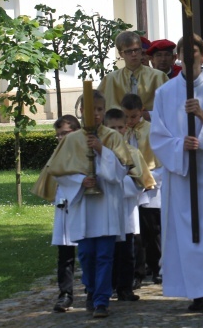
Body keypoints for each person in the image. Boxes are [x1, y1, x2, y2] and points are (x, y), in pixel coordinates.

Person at [150, 35, 203, 314]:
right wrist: (179, 145)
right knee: (186, 234)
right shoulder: (165, 92)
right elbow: (158, 136)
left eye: (195, 52)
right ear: (179, 56)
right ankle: (196, 292)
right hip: (180, 173)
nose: (190, 57)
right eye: (184, 52)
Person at [35, 90, 132, 318]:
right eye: (91, 110)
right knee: (87, 255)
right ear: (81, 111)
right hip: (83, 205)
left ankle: (101, 300)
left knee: (105, 255)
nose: (96, 114)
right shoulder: (71, 140)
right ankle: (90, 289)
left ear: (104, 111)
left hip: (107, 203)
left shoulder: (113, 137)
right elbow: (59, 172)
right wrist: (80, 180)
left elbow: (121, 172)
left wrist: (101, 150)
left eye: (100, 110)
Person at [104, 108, 155, 302]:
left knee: (126, 250)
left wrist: (116, 182)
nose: (116, 131)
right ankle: (108, 285)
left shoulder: (132, 153)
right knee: (108, 251)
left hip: (126, 209)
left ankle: (125, 287)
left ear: (125, 128)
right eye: (112, 128)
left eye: (120, 127)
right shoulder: (100, 152)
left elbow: (140, 182)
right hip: (106, 209)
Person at [120, 93, 163, 287]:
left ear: (142, 112)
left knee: (152, 230)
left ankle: (157, 267)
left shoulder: (152, 131)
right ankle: (137, 271)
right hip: (129, 187)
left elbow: (161, 162)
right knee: (133, 232)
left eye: (134, 116)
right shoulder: (120, 134)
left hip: (151, 188)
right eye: (126, 116)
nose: (130, 121)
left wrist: (151, 180)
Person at [49, 115, 81, 313]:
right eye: (58, 135)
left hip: (83, 205)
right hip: (64, 207)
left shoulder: (84, 151)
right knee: (65, 254)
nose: (61, 138)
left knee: (90, 252)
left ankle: (94, 290)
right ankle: (65, 294)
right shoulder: (56, 155)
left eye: (65, 133)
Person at [98, 31, 168, 117]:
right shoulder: (111, 79)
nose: (134, 54)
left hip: (149, 127)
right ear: (121, 54)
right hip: (119, 128)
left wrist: (148, 114)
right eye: (128, 51)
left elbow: (170, 107)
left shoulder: (158, 76)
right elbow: (99, 108)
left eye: (136, 50)